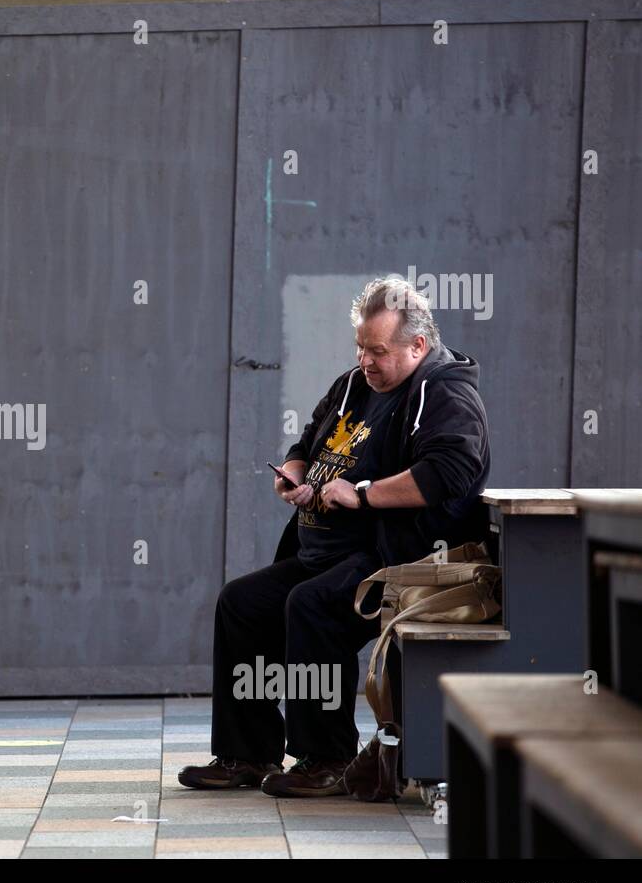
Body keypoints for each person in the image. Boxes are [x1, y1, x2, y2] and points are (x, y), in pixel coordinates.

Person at [180, 277, 491, 797]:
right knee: (241, 603)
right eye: (360, 348)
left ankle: (325, 759)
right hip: (325, 550)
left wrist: (363, 495)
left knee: (313, 606)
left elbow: (450, 471)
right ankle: (247, 754)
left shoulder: (446, 392)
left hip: (398, 560)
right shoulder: (354, 385)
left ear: (417, 346)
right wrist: (296, 476)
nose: (366, 361)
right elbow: (305, 443)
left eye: (378, 350)